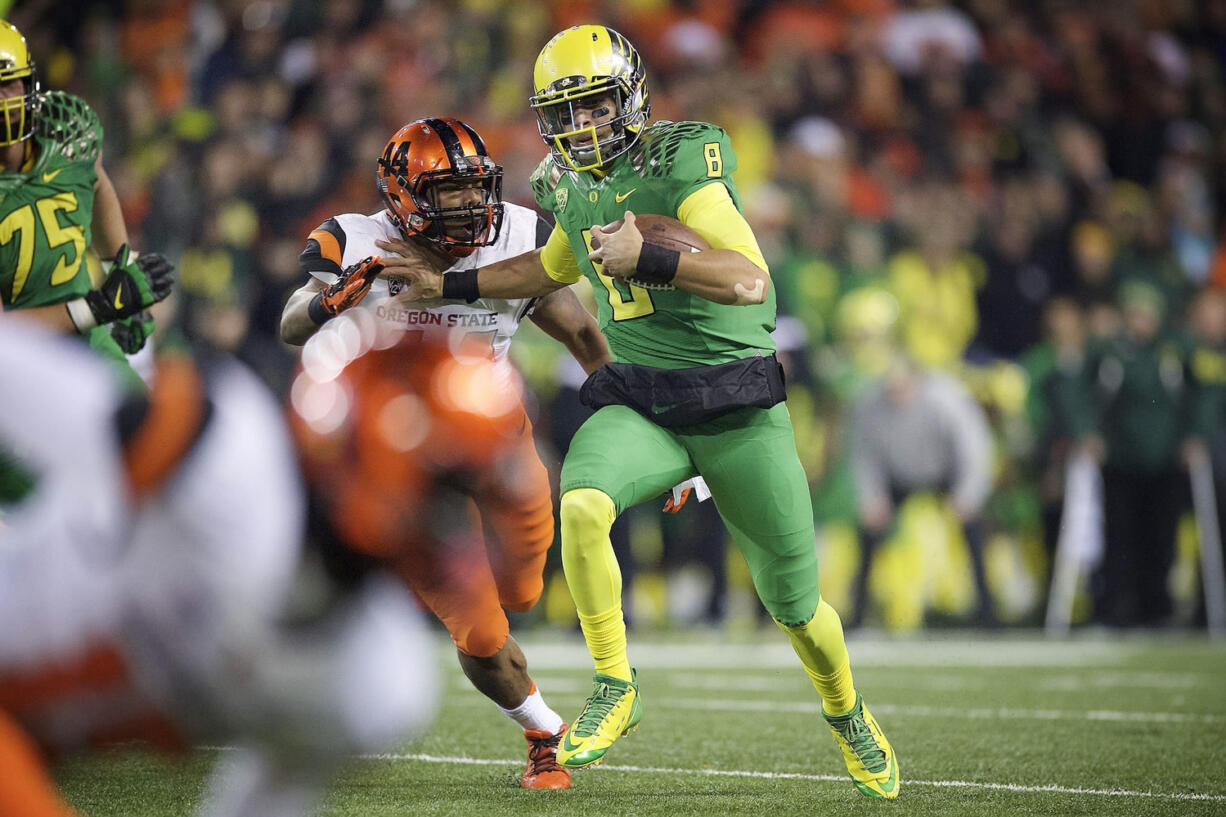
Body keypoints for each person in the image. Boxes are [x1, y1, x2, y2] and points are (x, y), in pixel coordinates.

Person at [381, 25, 899, 799]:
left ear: (631, 99)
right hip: (648, 398)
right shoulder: (563, 182)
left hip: (735, 402)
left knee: (795, 605)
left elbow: (750, 280)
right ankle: (615, 682)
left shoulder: (682, 158)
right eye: (569, 111)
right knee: (583, 503)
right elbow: (551, 268)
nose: (584, 126)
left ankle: (847, 709)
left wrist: (653, 258)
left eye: (597, 106)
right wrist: (446, 286)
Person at [280, 117, 611, 790]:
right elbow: (291, 323)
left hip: (496, 437)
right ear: (402, 197)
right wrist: (332, 300)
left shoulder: (519, 238)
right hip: (403, 455)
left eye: (473, 189)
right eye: (446, 192)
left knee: (523, 586)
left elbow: (583, 334)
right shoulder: (357, 241)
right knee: (482, 631)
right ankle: (544, 730)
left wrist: (636, 423)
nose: (467, 205)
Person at [0, 314, 439, 817]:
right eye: (448, 495)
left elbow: (269, 797)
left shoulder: (381, 683)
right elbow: (17, 379)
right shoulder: (226, 458)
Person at [0, 20, 173, 372]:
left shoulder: (61, 128)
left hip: (87, 338)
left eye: (10, 83)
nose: (5, 99)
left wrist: (120, 272)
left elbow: (98, 185)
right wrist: (99, 307)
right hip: (18, 367)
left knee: (137, 412)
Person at [847, 354, 998, 628]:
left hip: (944, 473)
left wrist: (968, 495)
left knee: (974, 530)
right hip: (898, 477)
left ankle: (988, 614)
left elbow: (974, 447)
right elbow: (863, 456)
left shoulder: (946, 398)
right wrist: (872, 499)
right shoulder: (871, 403)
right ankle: (857, 615)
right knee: (868, 534)